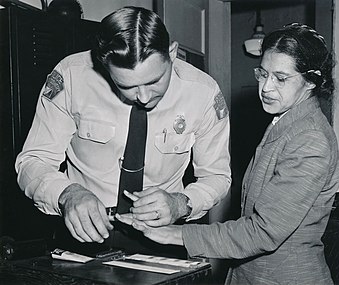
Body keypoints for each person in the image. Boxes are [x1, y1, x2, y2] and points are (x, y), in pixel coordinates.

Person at [118, 23, 339, 284]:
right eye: (263, 74)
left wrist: (174, 234)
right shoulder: (286, 123)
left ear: (311, 81)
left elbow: (264, 231)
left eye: (280, 78)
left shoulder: (310, 139)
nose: (266, 87)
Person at [15, 6, 231, 252]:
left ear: (172, 53)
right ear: (103, 64)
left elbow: (217, 176)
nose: (143, 97)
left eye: (154, 81)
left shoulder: (203, 93)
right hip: (83, 236)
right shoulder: (71, 76)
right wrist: (67, 194)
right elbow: (33, 161)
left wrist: (181, 203)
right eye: (126, 86)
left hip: (164, 237)